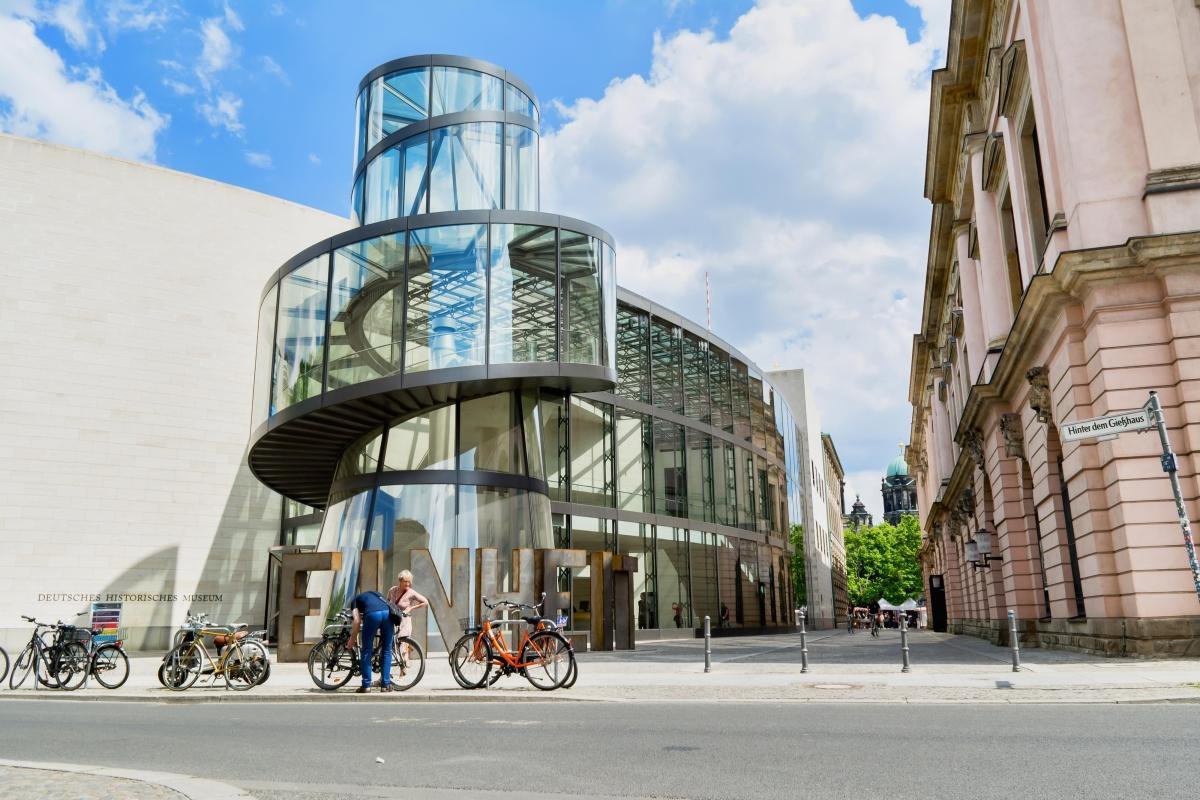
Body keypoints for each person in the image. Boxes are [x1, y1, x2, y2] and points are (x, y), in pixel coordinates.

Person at [347, 588, 393, 693]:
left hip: (373, 615)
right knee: (387, 650)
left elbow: (357, 621)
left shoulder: (355, 600)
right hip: (387, 614)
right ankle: (385, 685)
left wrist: (352, 640)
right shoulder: (378, 595)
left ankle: (366, 685)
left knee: (367, 650)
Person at [386, 570, 428, 672]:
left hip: (404, 621)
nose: (408, 584)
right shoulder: (392, 590)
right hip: (392, 621)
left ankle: (402, 670)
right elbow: (387, 601)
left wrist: (411, 608)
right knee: (390, 645)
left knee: (402, 643)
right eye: (406, 581)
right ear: (400, 580)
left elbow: (425, 602)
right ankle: (387, 672)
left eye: (409, 581)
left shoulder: (411, 592)